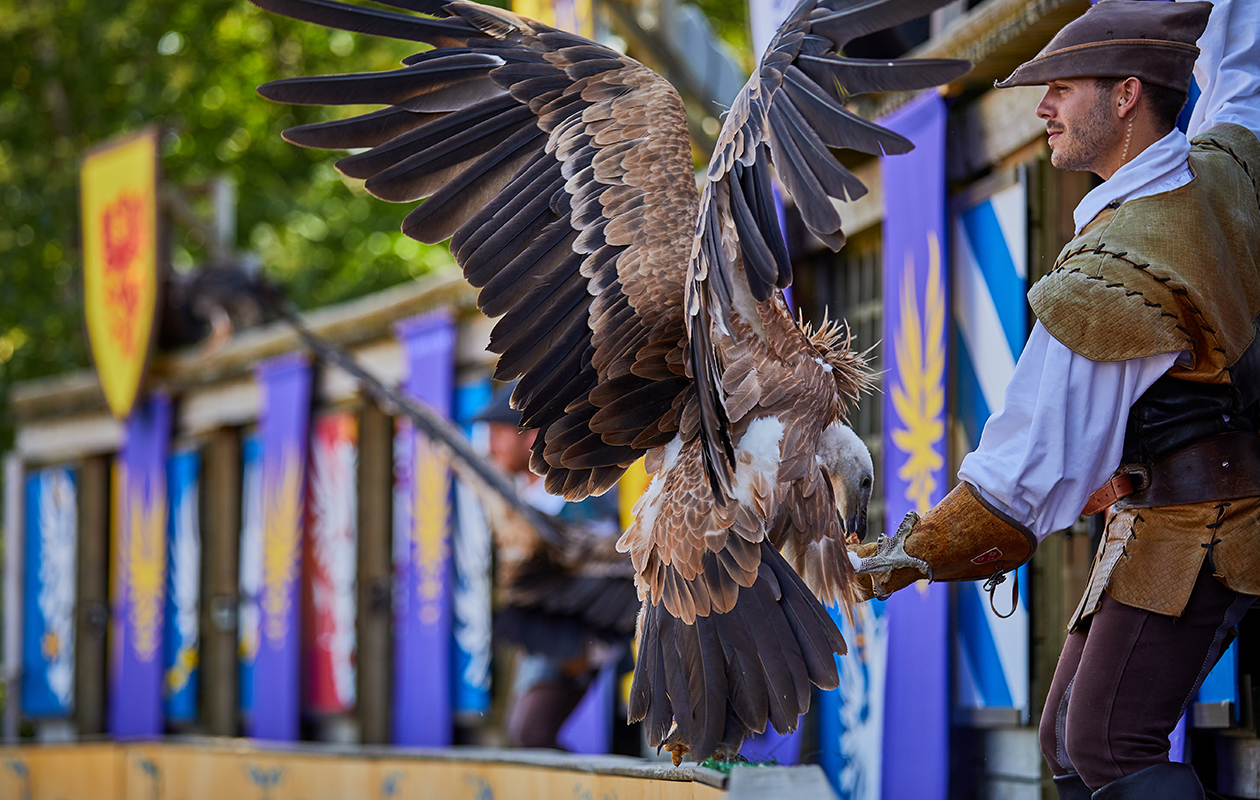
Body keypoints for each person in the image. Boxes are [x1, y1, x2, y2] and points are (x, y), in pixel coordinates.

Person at [852, 1, 1260, 797]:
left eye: (1062, 87)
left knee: (1105, 741)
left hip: (1203, 525)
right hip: (1178, 515)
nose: (1041, 106)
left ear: (1126, 95)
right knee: (1068, 737)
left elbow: (1018, 481)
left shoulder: (1119, 263)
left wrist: (892, 561)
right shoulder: (1229, 162)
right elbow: (1238, 73)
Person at [473, 385, 636, 751]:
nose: (490, 446)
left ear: (531, 437)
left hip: (579, 634)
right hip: (537, 629)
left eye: (499, 434)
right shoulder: (514, 498)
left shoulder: (582, 495)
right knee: (519, 736)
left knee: (531, 733)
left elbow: (614, 568)